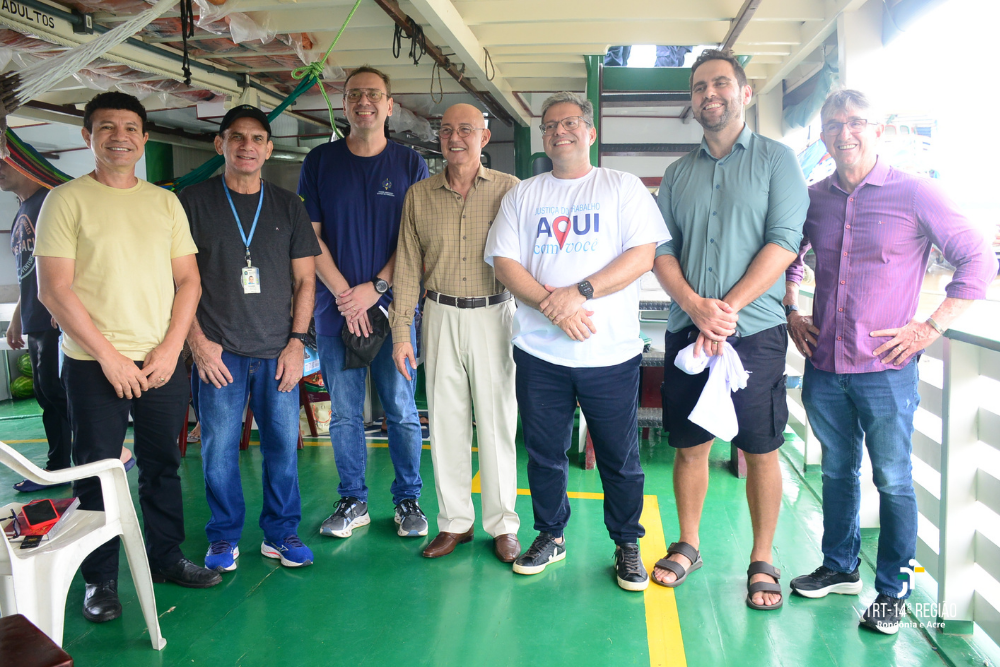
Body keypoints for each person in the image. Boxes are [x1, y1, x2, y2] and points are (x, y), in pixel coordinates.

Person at [785, 89, 999, 633]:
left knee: (895, 479)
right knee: (837, 470)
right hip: (824, 364)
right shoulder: (813, 199)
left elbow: (978, 257)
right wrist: (790, 308)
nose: (845, 133)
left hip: (886, 369)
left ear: (879, 131)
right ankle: (840, 567)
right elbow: (788, 255)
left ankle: (893, 591)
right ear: (823, 136)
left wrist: (931, 327)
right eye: (834, 125)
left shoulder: (916, 192)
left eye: (857, 122)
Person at [34, 91, 221, 625]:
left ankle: (166, 557)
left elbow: (189, 280)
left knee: (163, 465)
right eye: (107, 127)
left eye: (131, 128)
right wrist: (109, 358)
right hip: (93, 365)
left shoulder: (164, 203)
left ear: (144, 138)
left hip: (160, 362)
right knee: (96, 472)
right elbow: (54, 289)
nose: (120, 137)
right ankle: (100, 579)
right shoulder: (65, 200)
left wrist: (171, 347)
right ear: (87, 136)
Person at [484, 91, 668, 591]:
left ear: (590, 132)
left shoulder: (622, 187)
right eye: (549, 125)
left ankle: (627, 543)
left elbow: (643, 255)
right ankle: (550, 535)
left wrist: (578, 293)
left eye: (568, 123)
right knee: (544, 453)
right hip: (540, 352)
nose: (559, 131)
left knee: (619, 457)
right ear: (543, 138)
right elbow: (504, 263)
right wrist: (555, 306)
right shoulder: (524, 194)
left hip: (609, 353)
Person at [650, 49, 808, 611]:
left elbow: (784, 241)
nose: (709, 94)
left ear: (744, 93)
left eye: (720, 83)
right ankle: (688, 544)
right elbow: (660, 249)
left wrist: (726, 310)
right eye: (699, 87)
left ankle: (762, 558)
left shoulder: (776, 160)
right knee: (690, 445)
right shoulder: (678, 174)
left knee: (761, 447)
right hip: (688, 330)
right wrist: (697, 308)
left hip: (755, 331)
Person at [179, 105, 321, 572]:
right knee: (218, 450)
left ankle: (281, 533)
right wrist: (197, 343)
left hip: (278, 351)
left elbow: (306, 280)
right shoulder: (192, 202)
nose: (247, 146)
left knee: (282, 447)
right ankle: (223, 536)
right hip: (219, 352)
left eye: (257, 138)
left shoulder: (288, 205)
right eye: (237, 137)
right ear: (219, 143)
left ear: (269, 149)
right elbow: (175, 280)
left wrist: (297, 343)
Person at [298, 66, 430, 540]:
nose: (364, 102)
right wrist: (344, 296)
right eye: (354, 94)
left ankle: (408, 499)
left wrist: (375, 287)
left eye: (374, 94)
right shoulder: (320, 162)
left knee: (401, 409)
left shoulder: (411, 164)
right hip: (336, 313)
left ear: (389, 106)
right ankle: (353, 499)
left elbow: (416, 239)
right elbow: (310, 238)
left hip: (395, 312)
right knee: (346, 413)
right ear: (344, 104)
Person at [389, 103, 521, 562]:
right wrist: (401, 332)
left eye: (466, 129)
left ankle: (503, 525)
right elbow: (407, 267)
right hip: (440, 313)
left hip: (494, 313)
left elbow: (528, 258)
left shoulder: (510, 190)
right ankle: (455, 524)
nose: (455, 137)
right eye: (446, 130)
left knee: (497, 422)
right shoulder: (419, 195)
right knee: (445, 422)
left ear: (484, 138)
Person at [1, 161, 135, 492]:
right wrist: (18, 316)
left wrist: (65, 305)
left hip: (55, 316)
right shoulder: (23, 210)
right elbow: (30, 272)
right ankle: (57, 466)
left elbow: (79, 258)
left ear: (23, 163)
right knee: (46, 394)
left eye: (4, 161)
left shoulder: (52, 200)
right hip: (35, 315)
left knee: (60, 391)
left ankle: (115, 451)